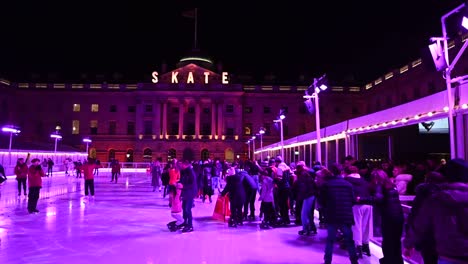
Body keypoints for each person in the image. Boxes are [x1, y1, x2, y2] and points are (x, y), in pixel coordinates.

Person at [405, 158, 468, 264]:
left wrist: (409, 244)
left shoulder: (436, 199)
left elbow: (420, 225)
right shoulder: (436, 199)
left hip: (449, 255)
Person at [360, 169, 404, 264]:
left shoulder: (379, 185)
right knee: (396, 242)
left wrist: (361, 199)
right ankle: (398, 262)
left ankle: (388, 261)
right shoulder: (392, 186)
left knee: (388, 242)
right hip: (399, 217)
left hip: (388, 217)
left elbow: (378, 199)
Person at [403, 171, 445, 264]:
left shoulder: (423, 195)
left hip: (428, 238)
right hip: (445, 239)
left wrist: (409, 243)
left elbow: (416, 218)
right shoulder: (446, 195)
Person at [319, 166, 358, 264]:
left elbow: (322, 201)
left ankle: (327, 261)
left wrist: (326, 209)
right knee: (349, 240)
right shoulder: (348, 184)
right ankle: (354, 261)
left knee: (330, 240)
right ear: (341, 172)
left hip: (332, 215)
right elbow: (353, 200)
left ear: (331, 172)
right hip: (346, 216)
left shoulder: (326, 185)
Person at [344, 165, 373, 258]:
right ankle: (366, 246)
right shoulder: (364, 181)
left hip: (356, 205)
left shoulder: (347, 180)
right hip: (368, 204)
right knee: (366, 227)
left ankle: (358, 248)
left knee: (356, 226)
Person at [293, 161, 318, 236]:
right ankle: (311, 228)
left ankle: (306, 229)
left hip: (307, 196)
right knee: (309, 213)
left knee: (304, 214)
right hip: (311, 195)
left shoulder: (302, 177)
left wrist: (299, 197)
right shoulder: (308, 175)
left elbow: (302, 188)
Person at [221, 162, 247, 227]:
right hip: (241, 196)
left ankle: (234, 221)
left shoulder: (230, 179)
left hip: (234, 197)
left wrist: (222, 194)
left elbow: (227, 188)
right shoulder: (239, 178)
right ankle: (240, 221)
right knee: (239, 209)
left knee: (233, 209)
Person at [179, 160, 197, 233]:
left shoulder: (190, 172)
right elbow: (183, 181)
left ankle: (190, 225)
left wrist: (183, 186)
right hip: (185, 192)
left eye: (181, 164)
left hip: (190, 193)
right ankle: (185, 222)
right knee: (184, 208)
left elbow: (192, 184)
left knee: (187, 209)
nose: (180, 166)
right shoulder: (184, 172)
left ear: (185, 165)